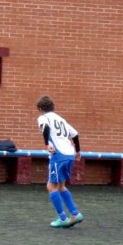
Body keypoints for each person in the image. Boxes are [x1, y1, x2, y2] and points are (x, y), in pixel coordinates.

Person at [36, 95, 83, 228]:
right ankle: (75, 214)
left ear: (40, 108)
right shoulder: (61, 119)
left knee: (51, 187)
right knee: (61, 186)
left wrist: (47, 144)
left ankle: (63, 218)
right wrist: (78, 151)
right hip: (69, 154)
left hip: (58, 155)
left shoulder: (43, 118)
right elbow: (75, 134)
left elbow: (45, 128)